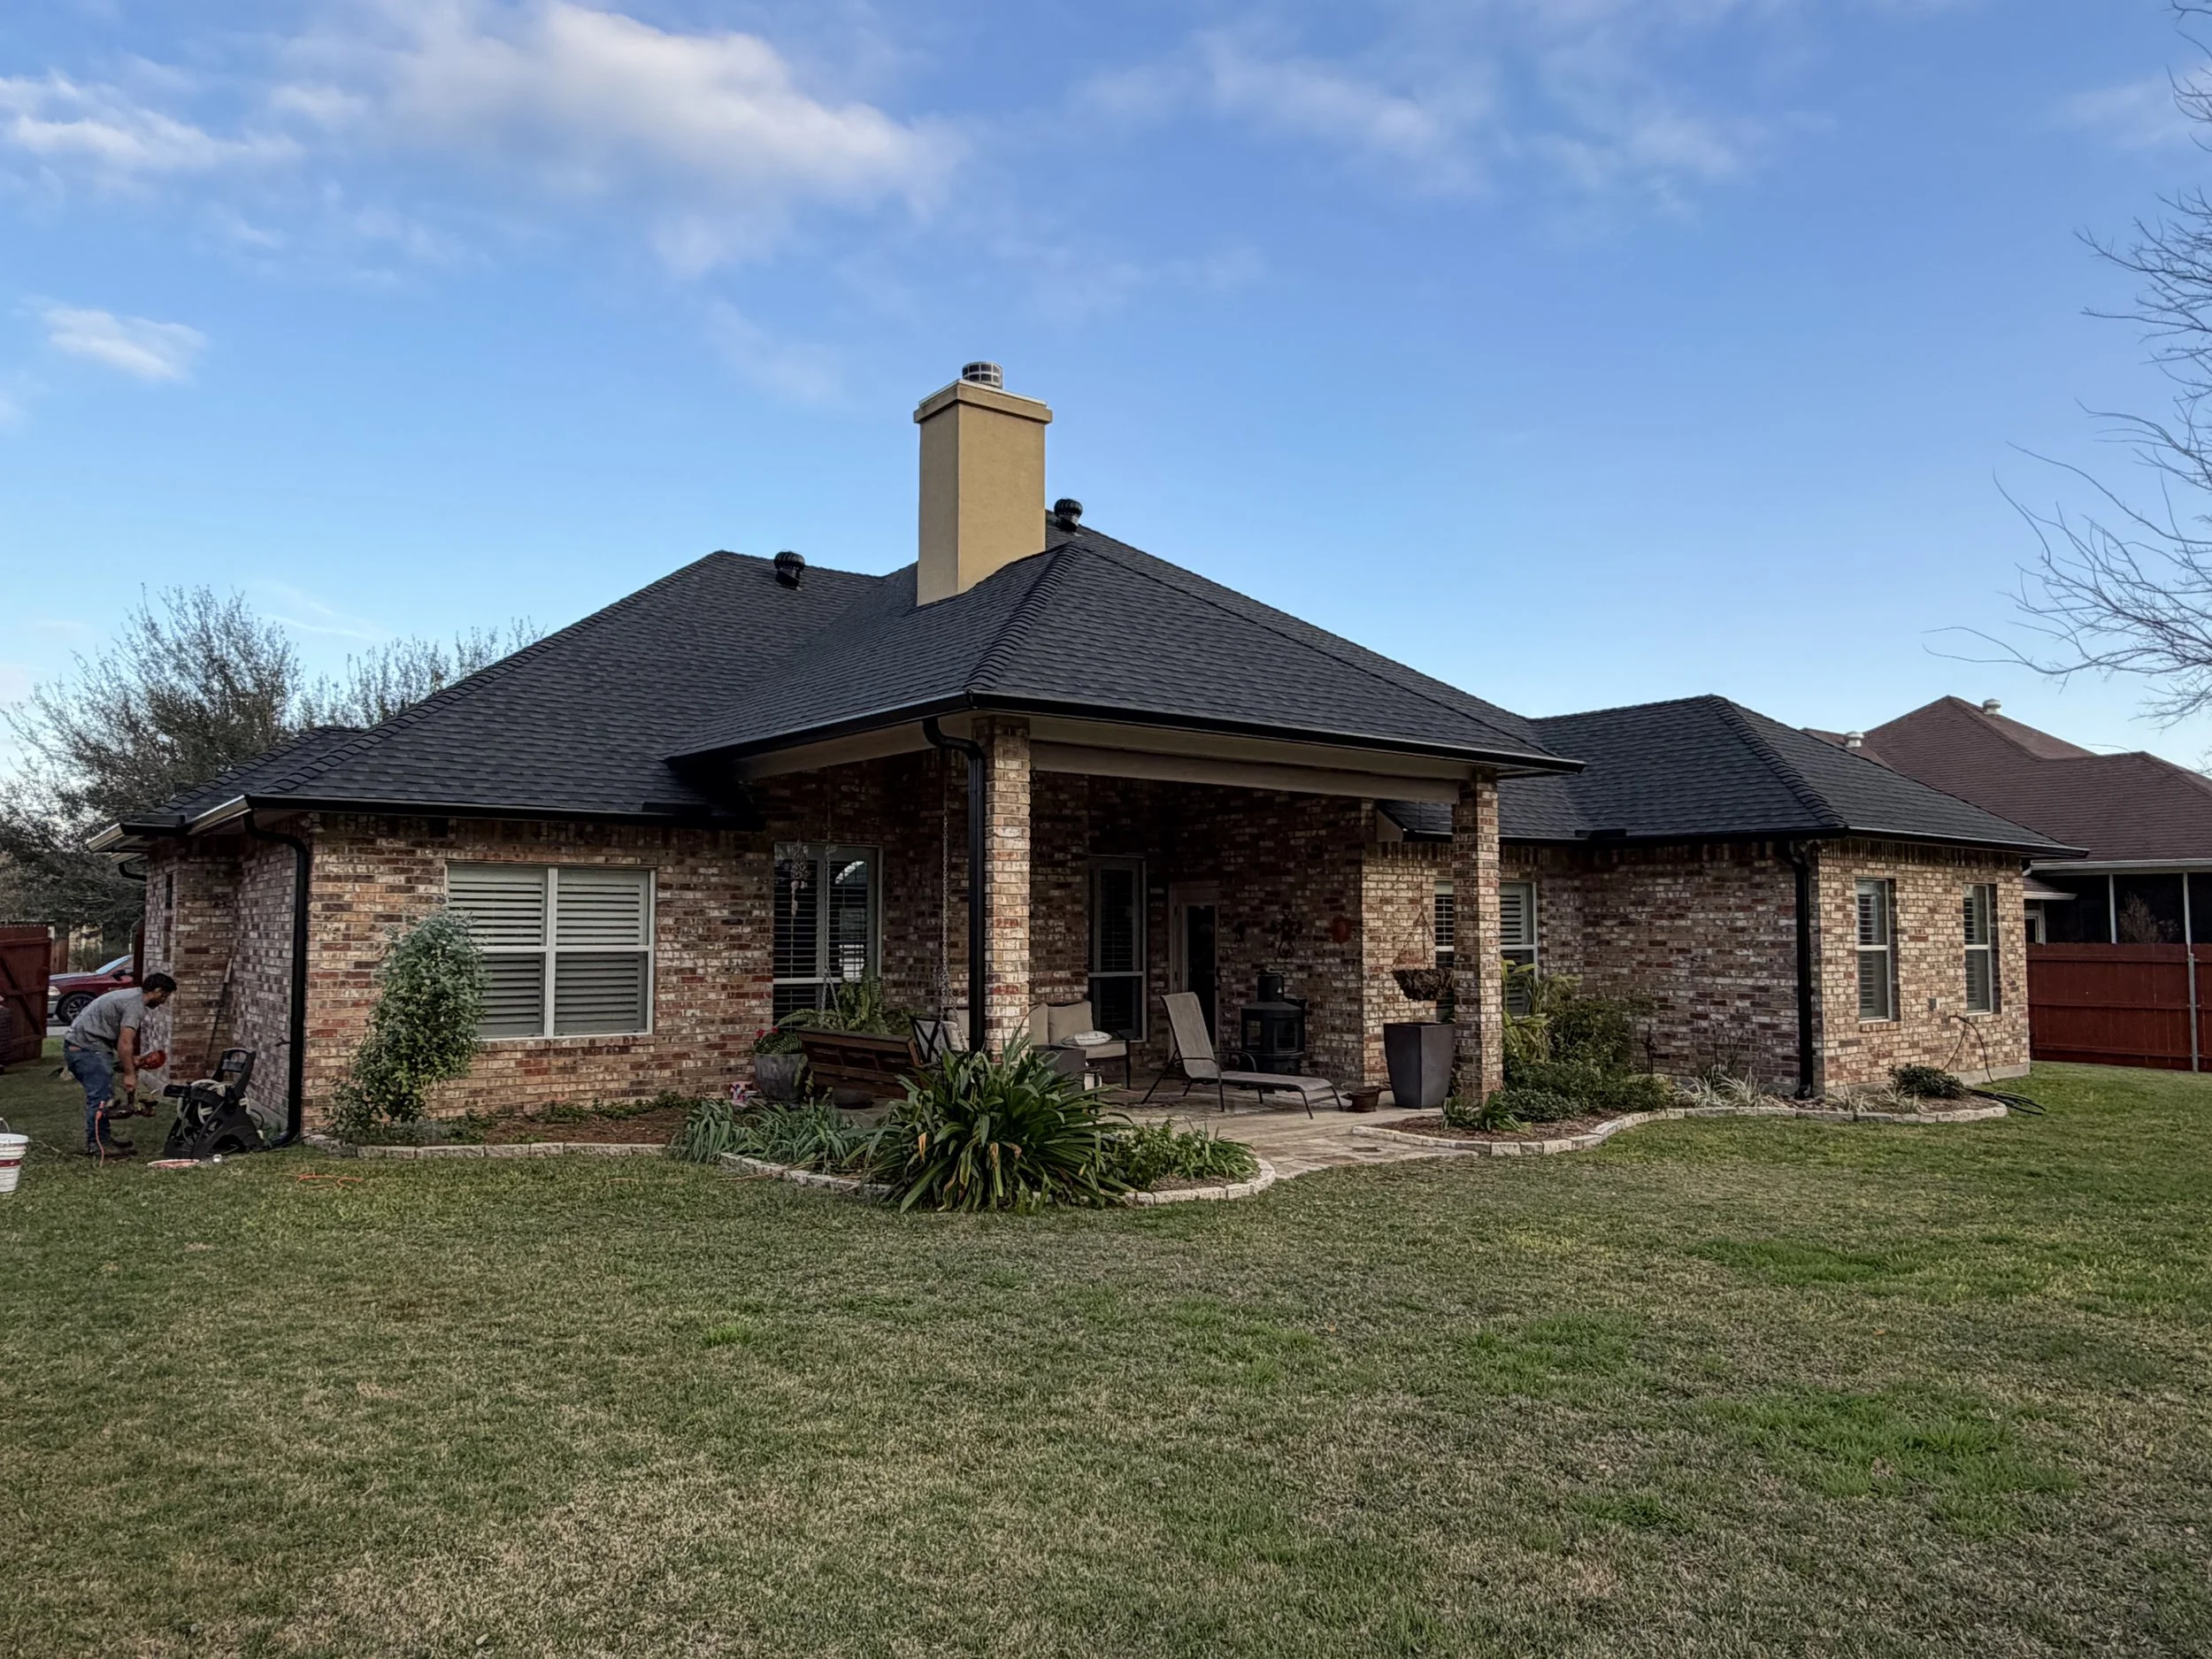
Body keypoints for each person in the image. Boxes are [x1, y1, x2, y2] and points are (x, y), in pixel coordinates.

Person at [63, 972, 175, 1158]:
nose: (164, 1001)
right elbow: (125, 1042)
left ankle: (104, 1139)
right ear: (157, 991)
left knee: (105, 1094)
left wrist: (132, 1061)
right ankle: (97, 1144)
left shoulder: (130, 996)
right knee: (99, 1095)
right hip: (85, 1048)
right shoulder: (135, 1005)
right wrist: (130, 1074)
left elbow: (115, 1039)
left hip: (89, 1045)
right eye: (164, 996)